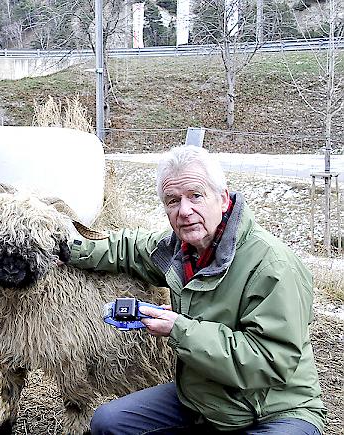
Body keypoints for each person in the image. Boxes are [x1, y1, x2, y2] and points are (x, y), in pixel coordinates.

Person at [66, 145, 326, 434]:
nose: (185, 211)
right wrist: (68, 246)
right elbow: (129, 249)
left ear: (223, 198)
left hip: (272, 410)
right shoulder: (179, 250)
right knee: (109, 423)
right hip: (203, 399)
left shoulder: (273, 266)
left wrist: (179, 329)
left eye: (195, 196)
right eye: (172, 200)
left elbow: (270, 362)